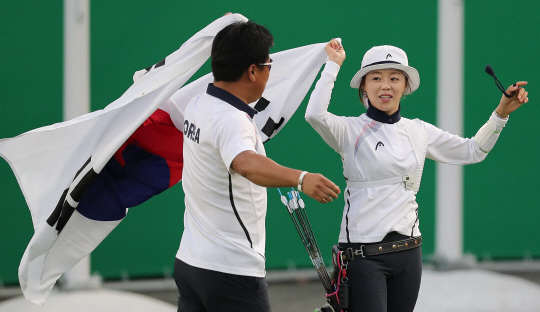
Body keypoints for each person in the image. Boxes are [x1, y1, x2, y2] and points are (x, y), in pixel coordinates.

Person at [305, 39, 529, 312]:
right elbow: (314, 114)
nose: (385, 85)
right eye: (376, 78)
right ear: (364, 86)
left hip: (409, 254)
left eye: (394, 78)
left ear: (405, 86)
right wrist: (333, 65)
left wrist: (501, 114)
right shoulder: (349, 130)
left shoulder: (419, 131)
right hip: (364, 257)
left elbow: (473, 150)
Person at [174, 21, 341, 312]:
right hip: (230, 270)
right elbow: (246, 164)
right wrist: (301, 179)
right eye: (268, 65)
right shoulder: (230, 119)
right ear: (252, 71)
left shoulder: (198, 103)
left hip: (191, 264)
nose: (270, 72)